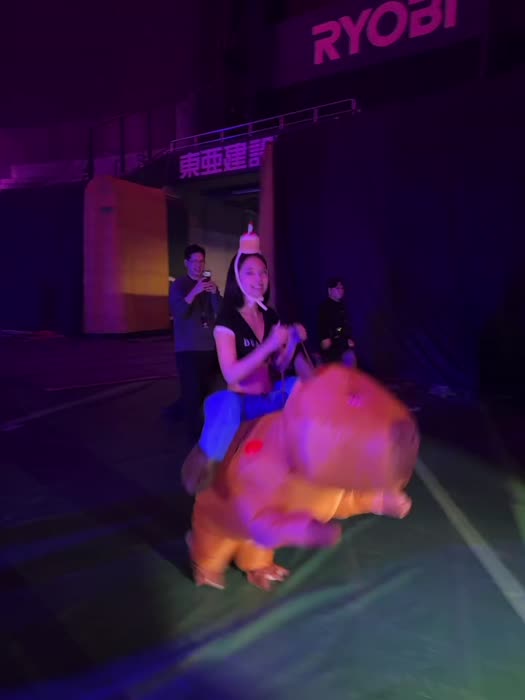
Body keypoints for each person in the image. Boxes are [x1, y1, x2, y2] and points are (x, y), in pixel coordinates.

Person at [181, 227, 311, 493]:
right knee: (225, 406)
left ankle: (302, 465)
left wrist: (292, 343)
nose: (259, 279)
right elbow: (231, 374)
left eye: (263, 272)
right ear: (237, 277)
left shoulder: (270, 316)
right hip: (241, 405)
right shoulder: (227, 319)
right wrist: (269, 345)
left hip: (268, 399)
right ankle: (212, 474)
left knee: (298, 386)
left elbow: (278, 366)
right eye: (250, 272)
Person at [169, 244, 222, 442]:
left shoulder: (208, 286)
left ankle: (175, 413)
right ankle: (193, 439)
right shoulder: (179, 285)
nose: (198, 265)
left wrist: (215, 293)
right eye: (194, 261)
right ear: (186, 263)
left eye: (201, 261)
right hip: (188, 348)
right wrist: (195, 291)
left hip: (208, 347)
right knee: (191, 393)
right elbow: (179, 312)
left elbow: (220, 312)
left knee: (205, 391)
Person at [318, 277, 357, 367]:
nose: (341, 291)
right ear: (330, 290)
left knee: (351, 362)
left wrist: (348, 338)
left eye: (342, 288)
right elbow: (325, 329)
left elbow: (344, 326)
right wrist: (327, 337)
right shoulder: (325, 307)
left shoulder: (343, 306)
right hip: (333, 350)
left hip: (343, 346)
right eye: (338, 288)